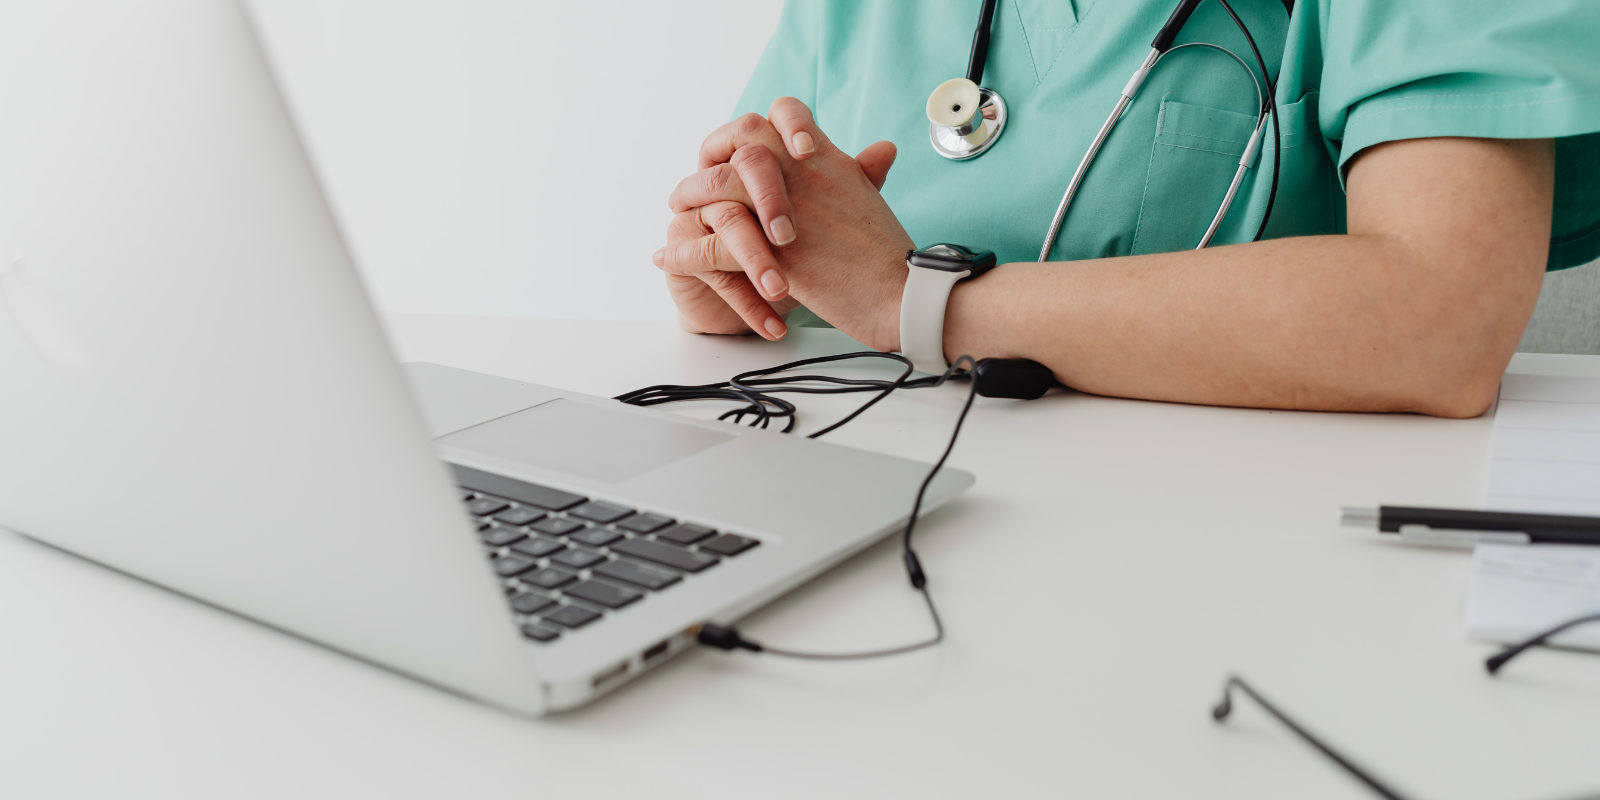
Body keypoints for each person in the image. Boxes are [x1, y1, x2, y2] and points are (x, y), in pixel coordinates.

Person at [651, 0, 1600, 417]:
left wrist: (921, 300)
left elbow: (1437, 317)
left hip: (1250, 574)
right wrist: (748, 281)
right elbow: (815, 251)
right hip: (885, 538)